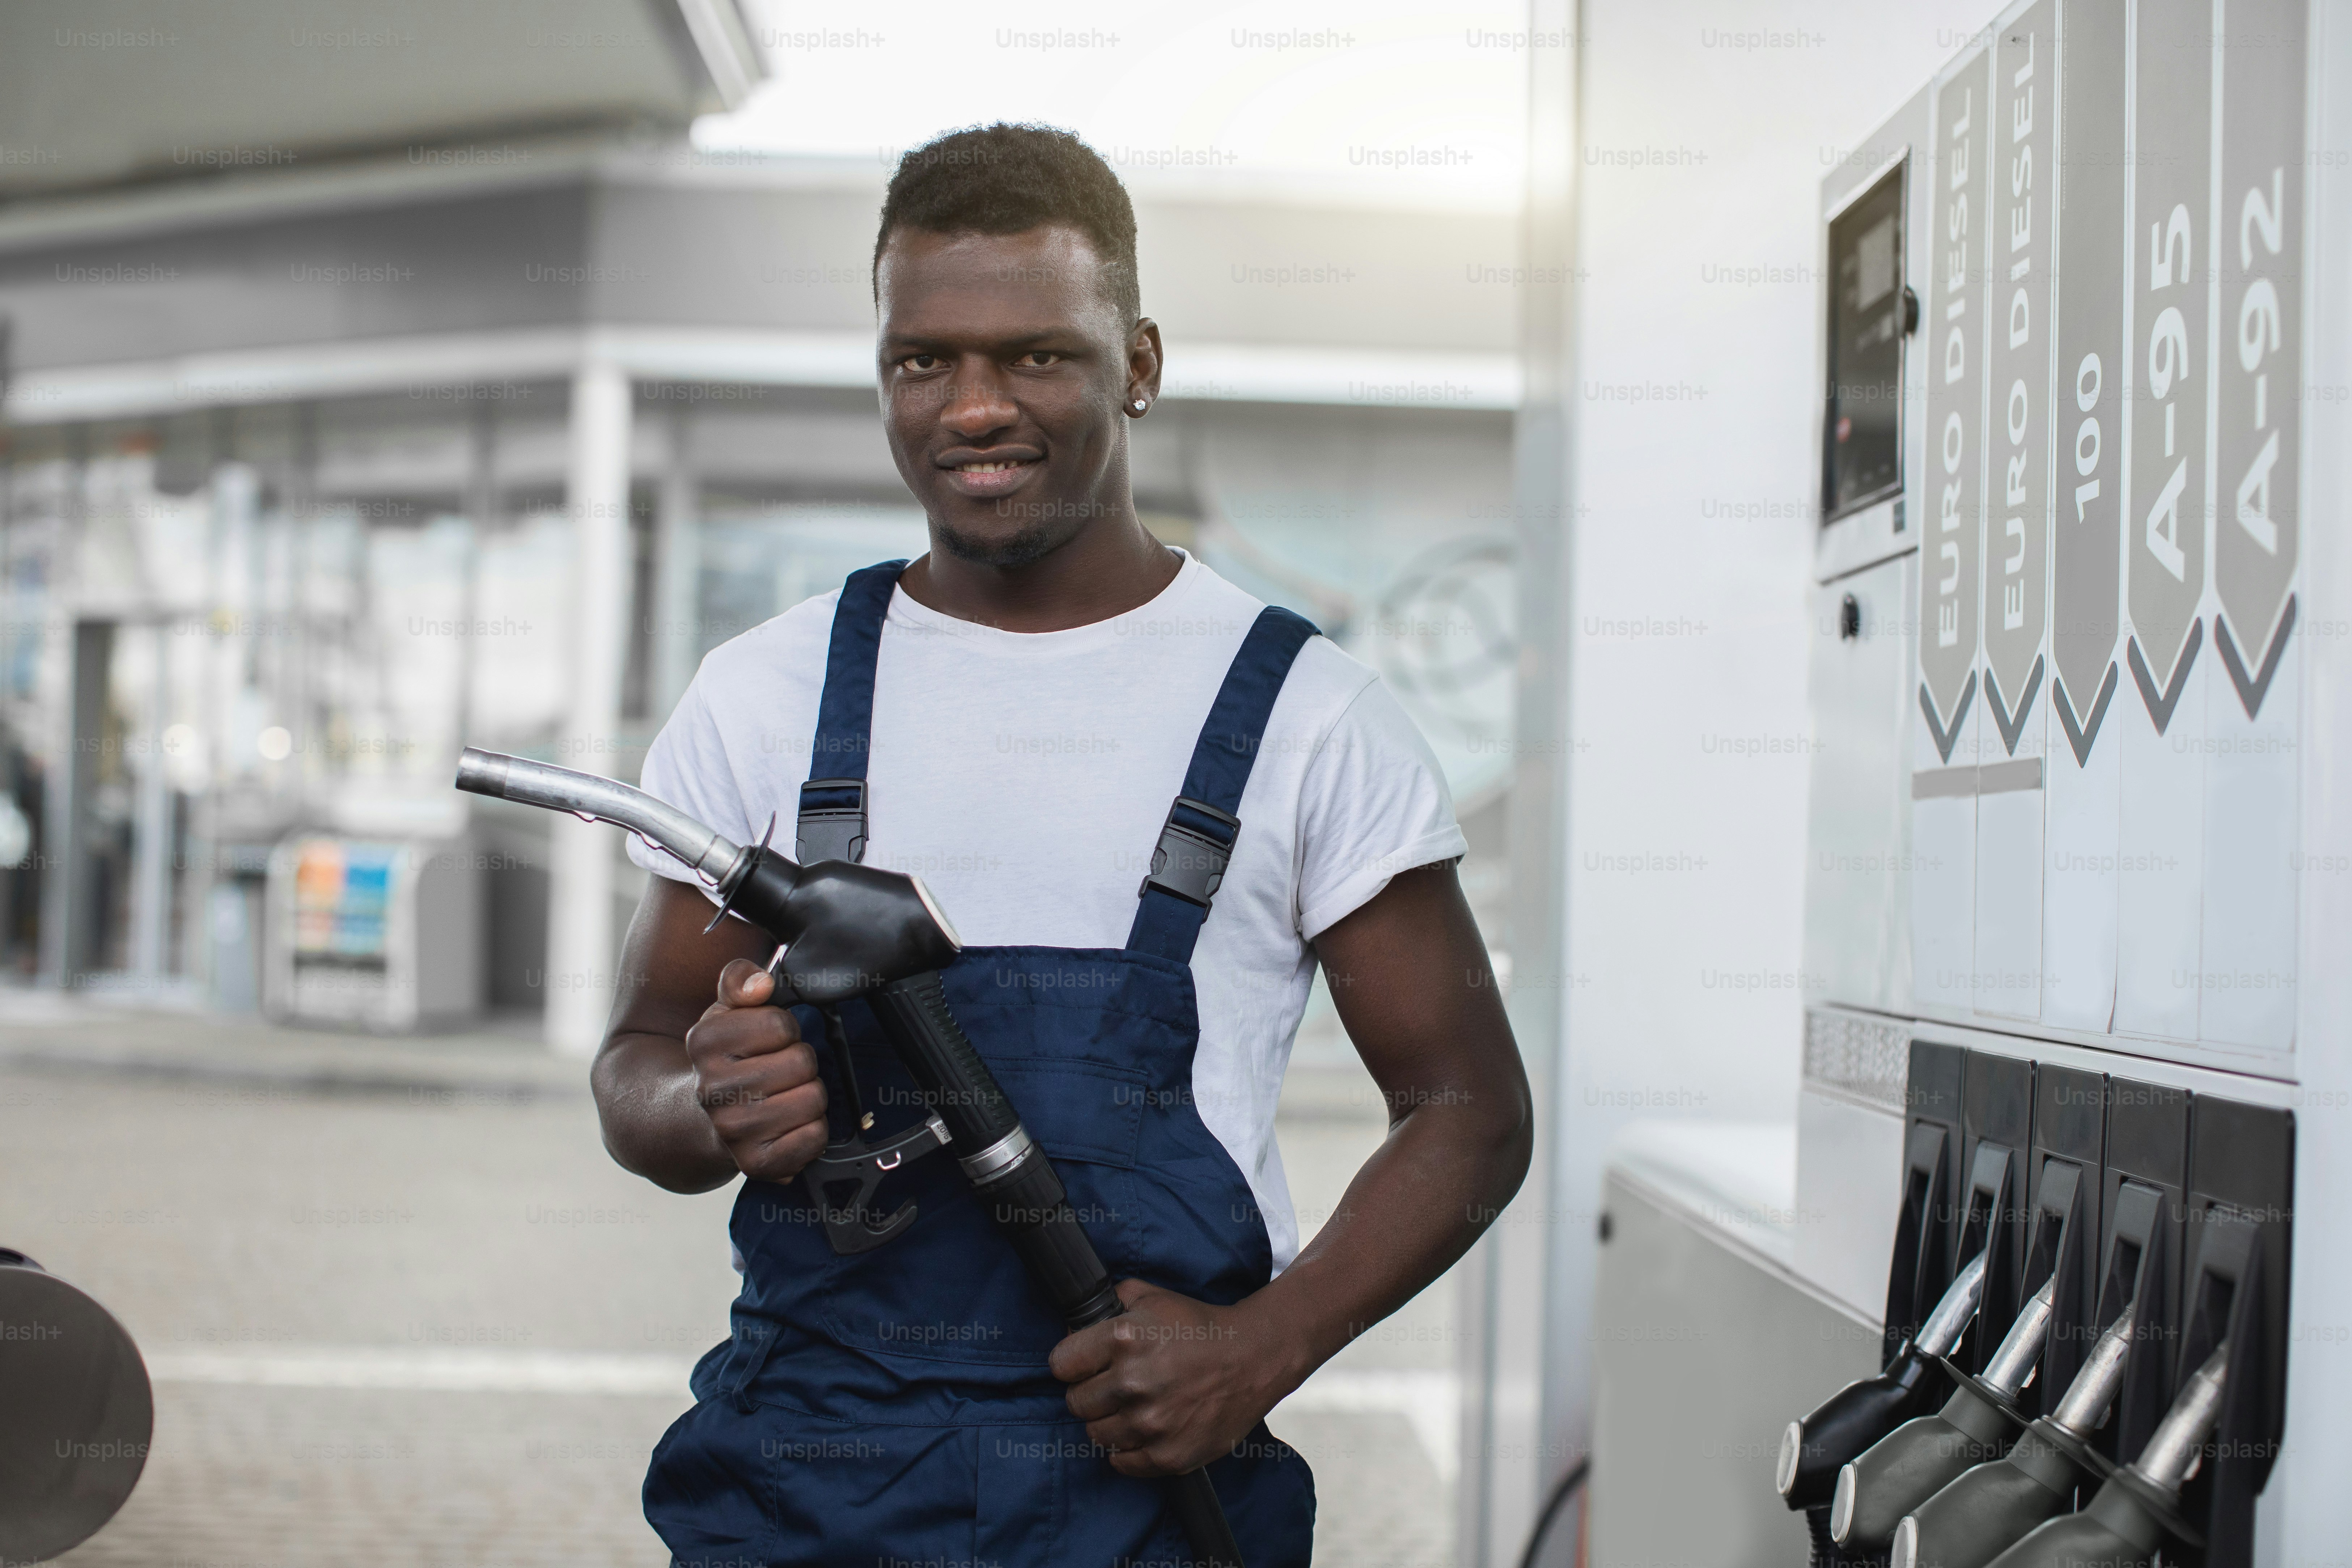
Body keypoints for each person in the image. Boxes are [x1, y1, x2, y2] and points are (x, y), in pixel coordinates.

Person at [594, 122, 1531, 1567]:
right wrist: (704, 1109)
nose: (972, 408)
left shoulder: (1307, 714)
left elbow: (1470, 1107)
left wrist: (1263, 1346)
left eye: (1037, 355)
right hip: (799, 1495)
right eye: (924, 361)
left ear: (1138, 363)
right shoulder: (762, 694)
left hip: (1145, 1505)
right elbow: (637, 1065)